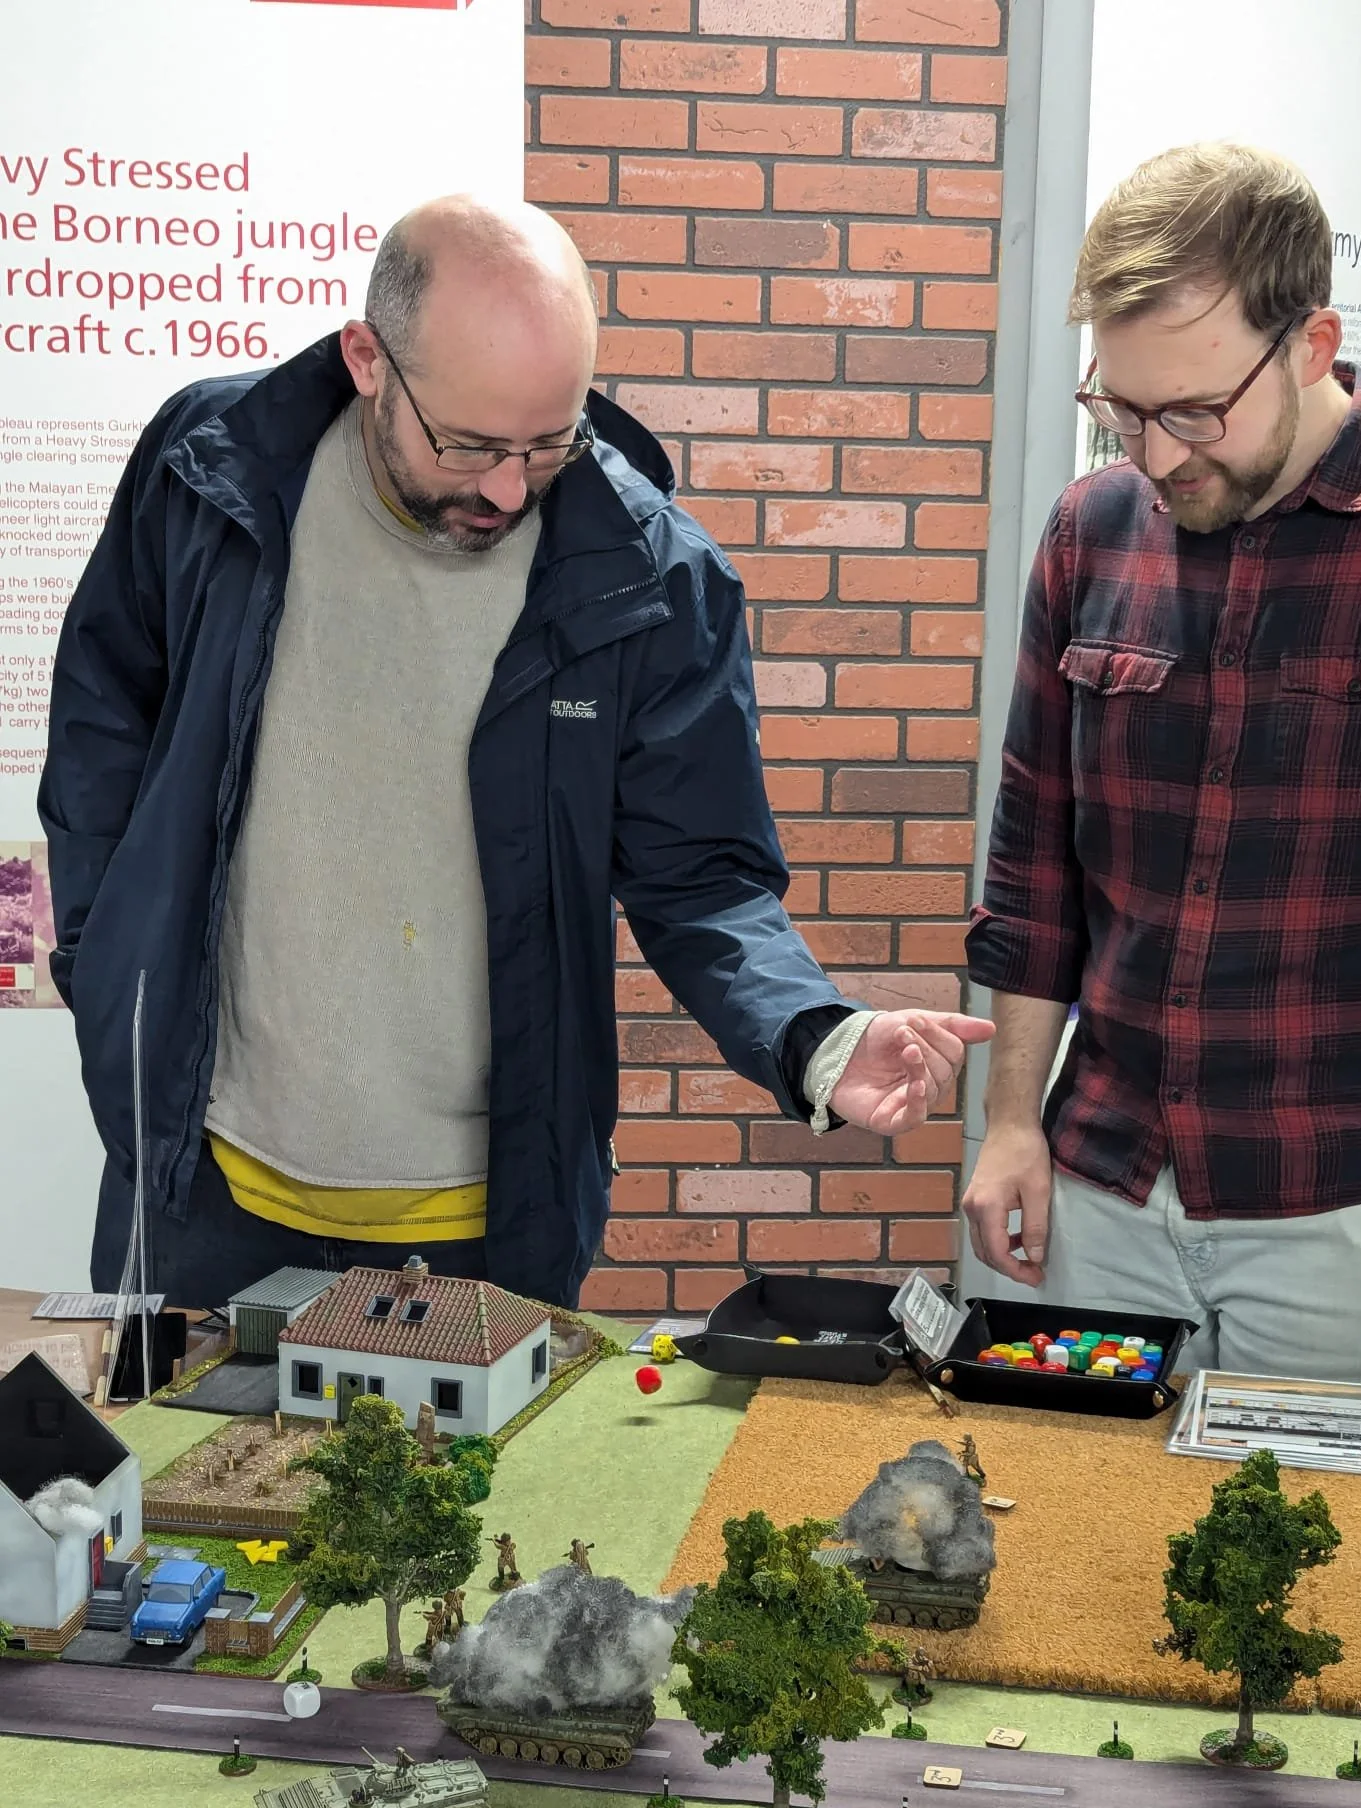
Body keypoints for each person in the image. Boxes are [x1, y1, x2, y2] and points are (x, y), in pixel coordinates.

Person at [41, 195, 991, 1312]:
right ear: (368, 360)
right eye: (471, 444)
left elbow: (701, 877)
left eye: (549, 443)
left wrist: (812, 1035)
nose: (506, 488)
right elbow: (104, 723)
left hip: (483, 1225)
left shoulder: (650, 573)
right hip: (200, 1189)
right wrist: (103, 962)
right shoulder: (209, 467)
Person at [962, 143, 1361, 1410]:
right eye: (1122, 411)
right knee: (1071, 1531)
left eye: (1193, 413)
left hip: (1355, 1210)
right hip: (1103, 1188)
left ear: (1313, 343)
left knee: (1333, 1542)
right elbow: (1033, 868)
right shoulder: (1090, 533)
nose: (1157, 456)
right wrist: (1008, 1120)